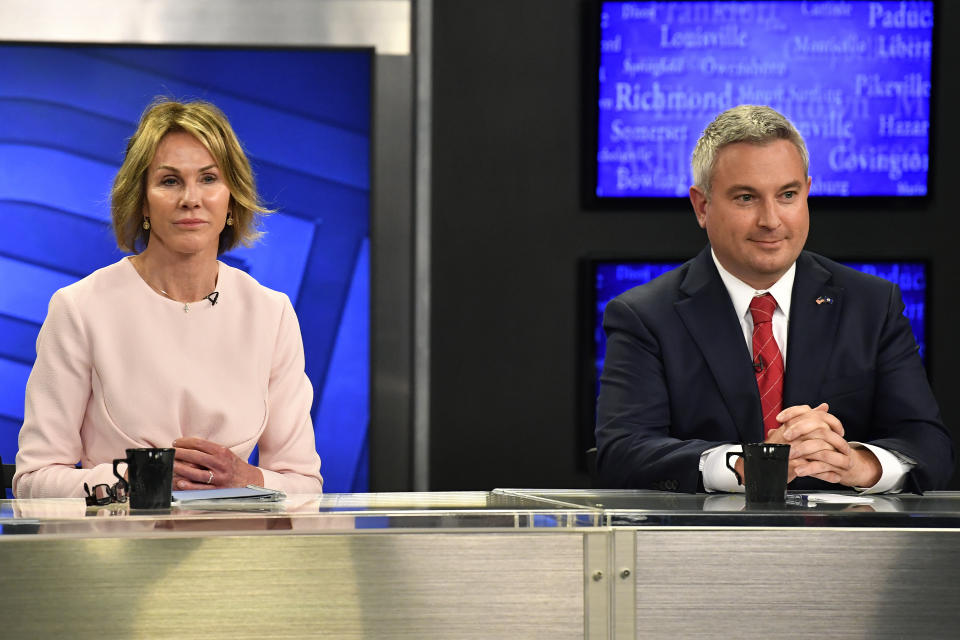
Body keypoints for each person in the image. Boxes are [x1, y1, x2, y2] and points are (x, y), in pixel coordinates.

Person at [595, 105, 954, 494]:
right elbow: (622, 453)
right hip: (700, 550)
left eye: (787, 195)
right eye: (747, 198)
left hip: (842, 548)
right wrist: (744, 466)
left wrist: (857, 463)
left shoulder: (873, 305)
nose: (771, 220)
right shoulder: (644, 316)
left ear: (807, 194)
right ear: (702, 206)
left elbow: (929, 446)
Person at [14, 98, 323, 498]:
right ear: (142, 200)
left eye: (209, 179)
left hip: (233, 553)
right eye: (170, 181)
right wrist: (144, 479)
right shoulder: (81, 307)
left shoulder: (271, 313)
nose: (190, 199)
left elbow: (305, 486)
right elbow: (34, 481)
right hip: (116, 552)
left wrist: (246, 479)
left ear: (232, 197)